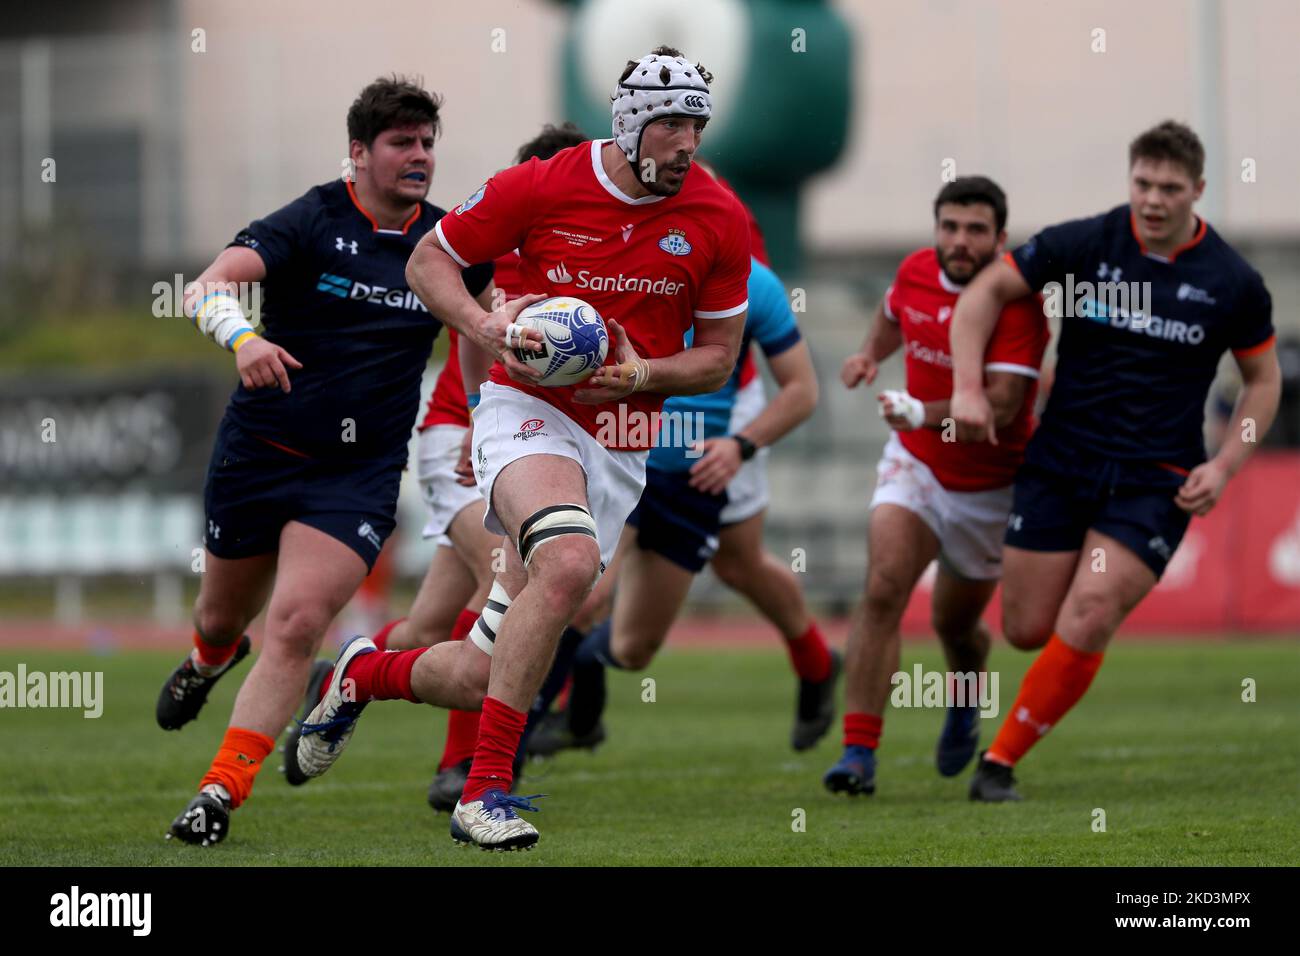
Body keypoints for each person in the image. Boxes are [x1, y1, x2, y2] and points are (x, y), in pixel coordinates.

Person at [293, 47, 752, 852]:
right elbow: (430, 259)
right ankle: (484, 794)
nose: (687, 143)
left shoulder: (719, 217)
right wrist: (483, 328)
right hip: (524, 410)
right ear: (634, 123)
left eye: (698, 126)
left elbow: (718, 356)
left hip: (621, 440)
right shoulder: (541, 184)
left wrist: (643, 372)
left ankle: (362, 674)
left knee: (477, 672)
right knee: (568, 563)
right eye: (672, 124)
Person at [157, 76, 495, 846]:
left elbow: (475, 329)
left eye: (427, 143)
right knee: (222, 616)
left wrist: (484, 418)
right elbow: (206, 289)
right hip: (261, 452)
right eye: (401, 143)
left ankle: (218, 793)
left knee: (300, 620)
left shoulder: (447, 246)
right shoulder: (310, 220)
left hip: (358, 473)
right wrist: (243, 340)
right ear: (358, 153)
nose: (419, 157)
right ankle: (210, 658)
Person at [949, 121, 1281, 801]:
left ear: (1198, 190)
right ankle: (991, 692)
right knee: (1025, 628)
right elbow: (985, 294)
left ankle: (999, 763)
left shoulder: (1232, 281)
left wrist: (1224, 466)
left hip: (1153, 481)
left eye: (1169, 188)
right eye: (1142, 184)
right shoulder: (1085, 242)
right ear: (1129, 180)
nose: (1153, 199)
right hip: (1062, 462)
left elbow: (1263, 380)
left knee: (1092, 606)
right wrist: (966, 387)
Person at [526, 252, 831, 758]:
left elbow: (801, 389)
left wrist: (742, 444)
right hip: (616, 447)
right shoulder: (616, 254)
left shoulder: (756, 283)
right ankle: (498, 763)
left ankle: (818, 664)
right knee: (583, 594)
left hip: (699, 464)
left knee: (642, 640)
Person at [822, 177, 1049, 796]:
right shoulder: (917, 271)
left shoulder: (1019, 303)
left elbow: (999, 407)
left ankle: (965, 697)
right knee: (883, 586)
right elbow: (895, 313)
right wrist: (871, 352)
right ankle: (858, 753)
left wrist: (922, 411)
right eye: (949, 226)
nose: (960, 240)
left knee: (956, 626)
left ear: (1001, 240)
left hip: (990, 488)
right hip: (917, 464)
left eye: (976, 229)